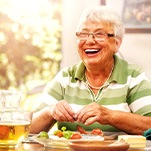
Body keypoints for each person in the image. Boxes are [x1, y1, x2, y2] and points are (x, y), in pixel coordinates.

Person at [29, 6, 151, 135]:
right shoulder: (65, 78)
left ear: (117, 43)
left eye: (99, 34)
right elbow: (29, 128)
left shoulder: (133, 76)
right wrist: (50, 111)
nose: (89, 41)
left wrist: (109, 116)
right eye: (83, 34)